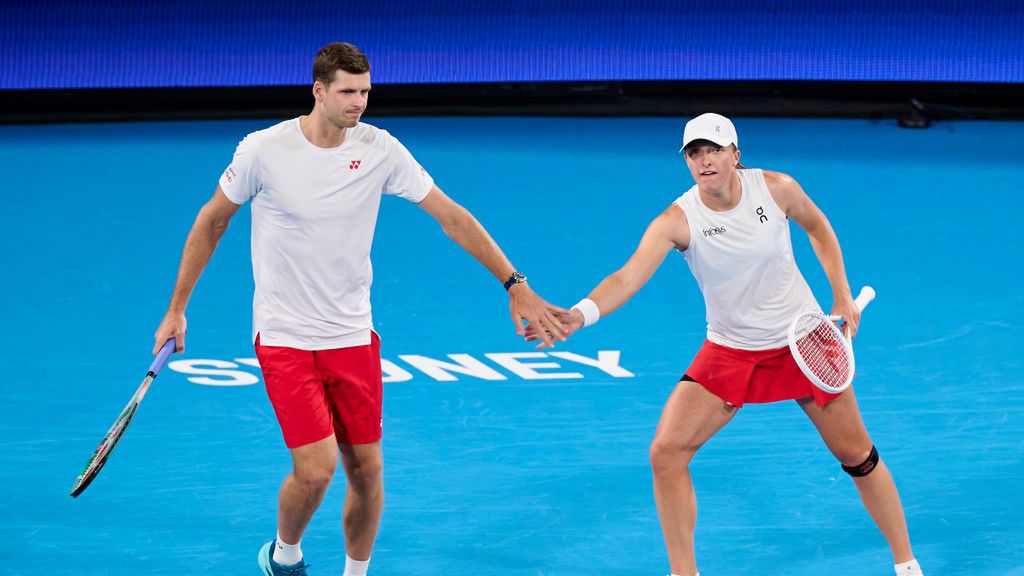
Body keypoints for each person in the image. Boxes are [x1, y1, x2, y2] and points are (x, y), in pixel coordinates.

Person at [152, 42, 566, 576]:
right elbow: (212, 221)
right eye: (347, 91)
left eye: (365, 91)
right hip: (285, 336)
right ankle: (285, 554)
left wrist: (514, 283)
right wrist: (177, 308)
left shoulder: (380, 149)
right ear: (318, 90)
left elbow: (452, 216)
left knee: (367, 472)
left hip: (352, 336)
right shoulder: (264, 150)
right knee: (317, 469)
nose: (359, 102)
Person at [529, 113, 923, 576]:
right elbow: (627, 277)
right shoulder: (677, 220)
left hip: (803, 342)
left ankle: (906, 563)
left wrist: (840, 292)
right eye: (694, 153)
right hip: (731, 350)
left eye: (714, 150)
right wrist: (579, 315)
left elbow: (817, 227)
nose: (704, 160)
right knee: (666, 451)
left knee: (857, 456)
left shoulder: (777, 189)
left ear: (736, 154)